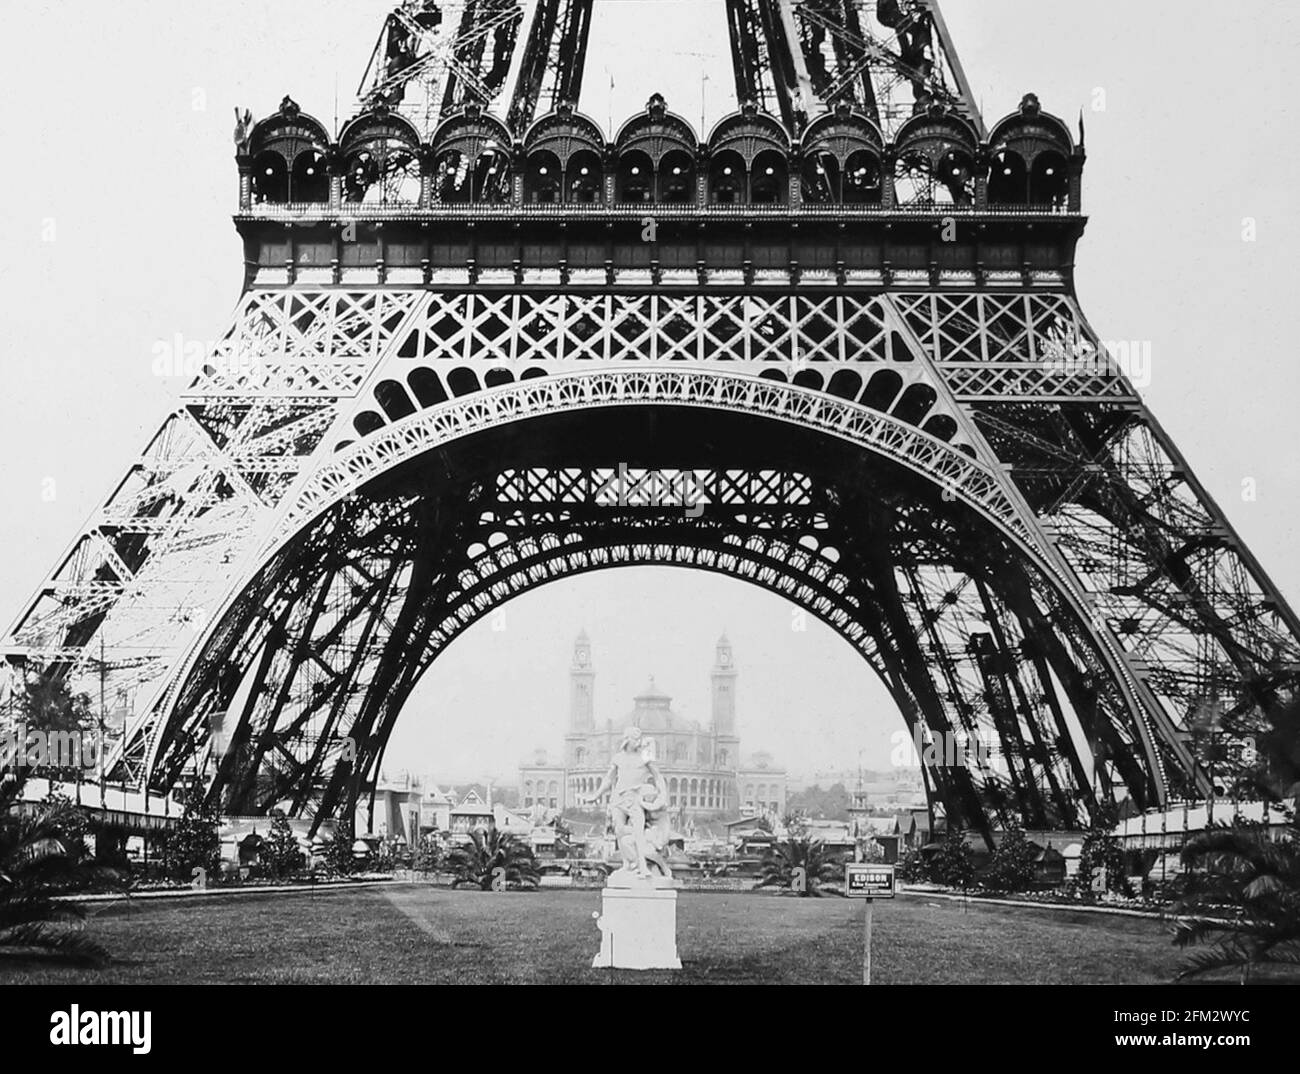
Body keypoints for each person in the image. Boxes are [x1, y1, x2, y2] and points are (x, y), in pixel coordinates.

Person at [577, 727, 668, 879]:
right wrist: (596, 795)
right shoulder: (618, 758)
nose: (638, 742)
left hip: (635, 798)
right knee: (619, 831)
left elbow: (657, 776)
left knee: (638, 833)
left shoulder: (645, 757)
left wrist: (662, 794)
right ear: (627, 740)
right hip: (618, 798)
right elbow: (609, 778)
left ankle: (643, 867)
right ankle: (627, 864)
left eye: (639, 738)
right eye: (635, 739)